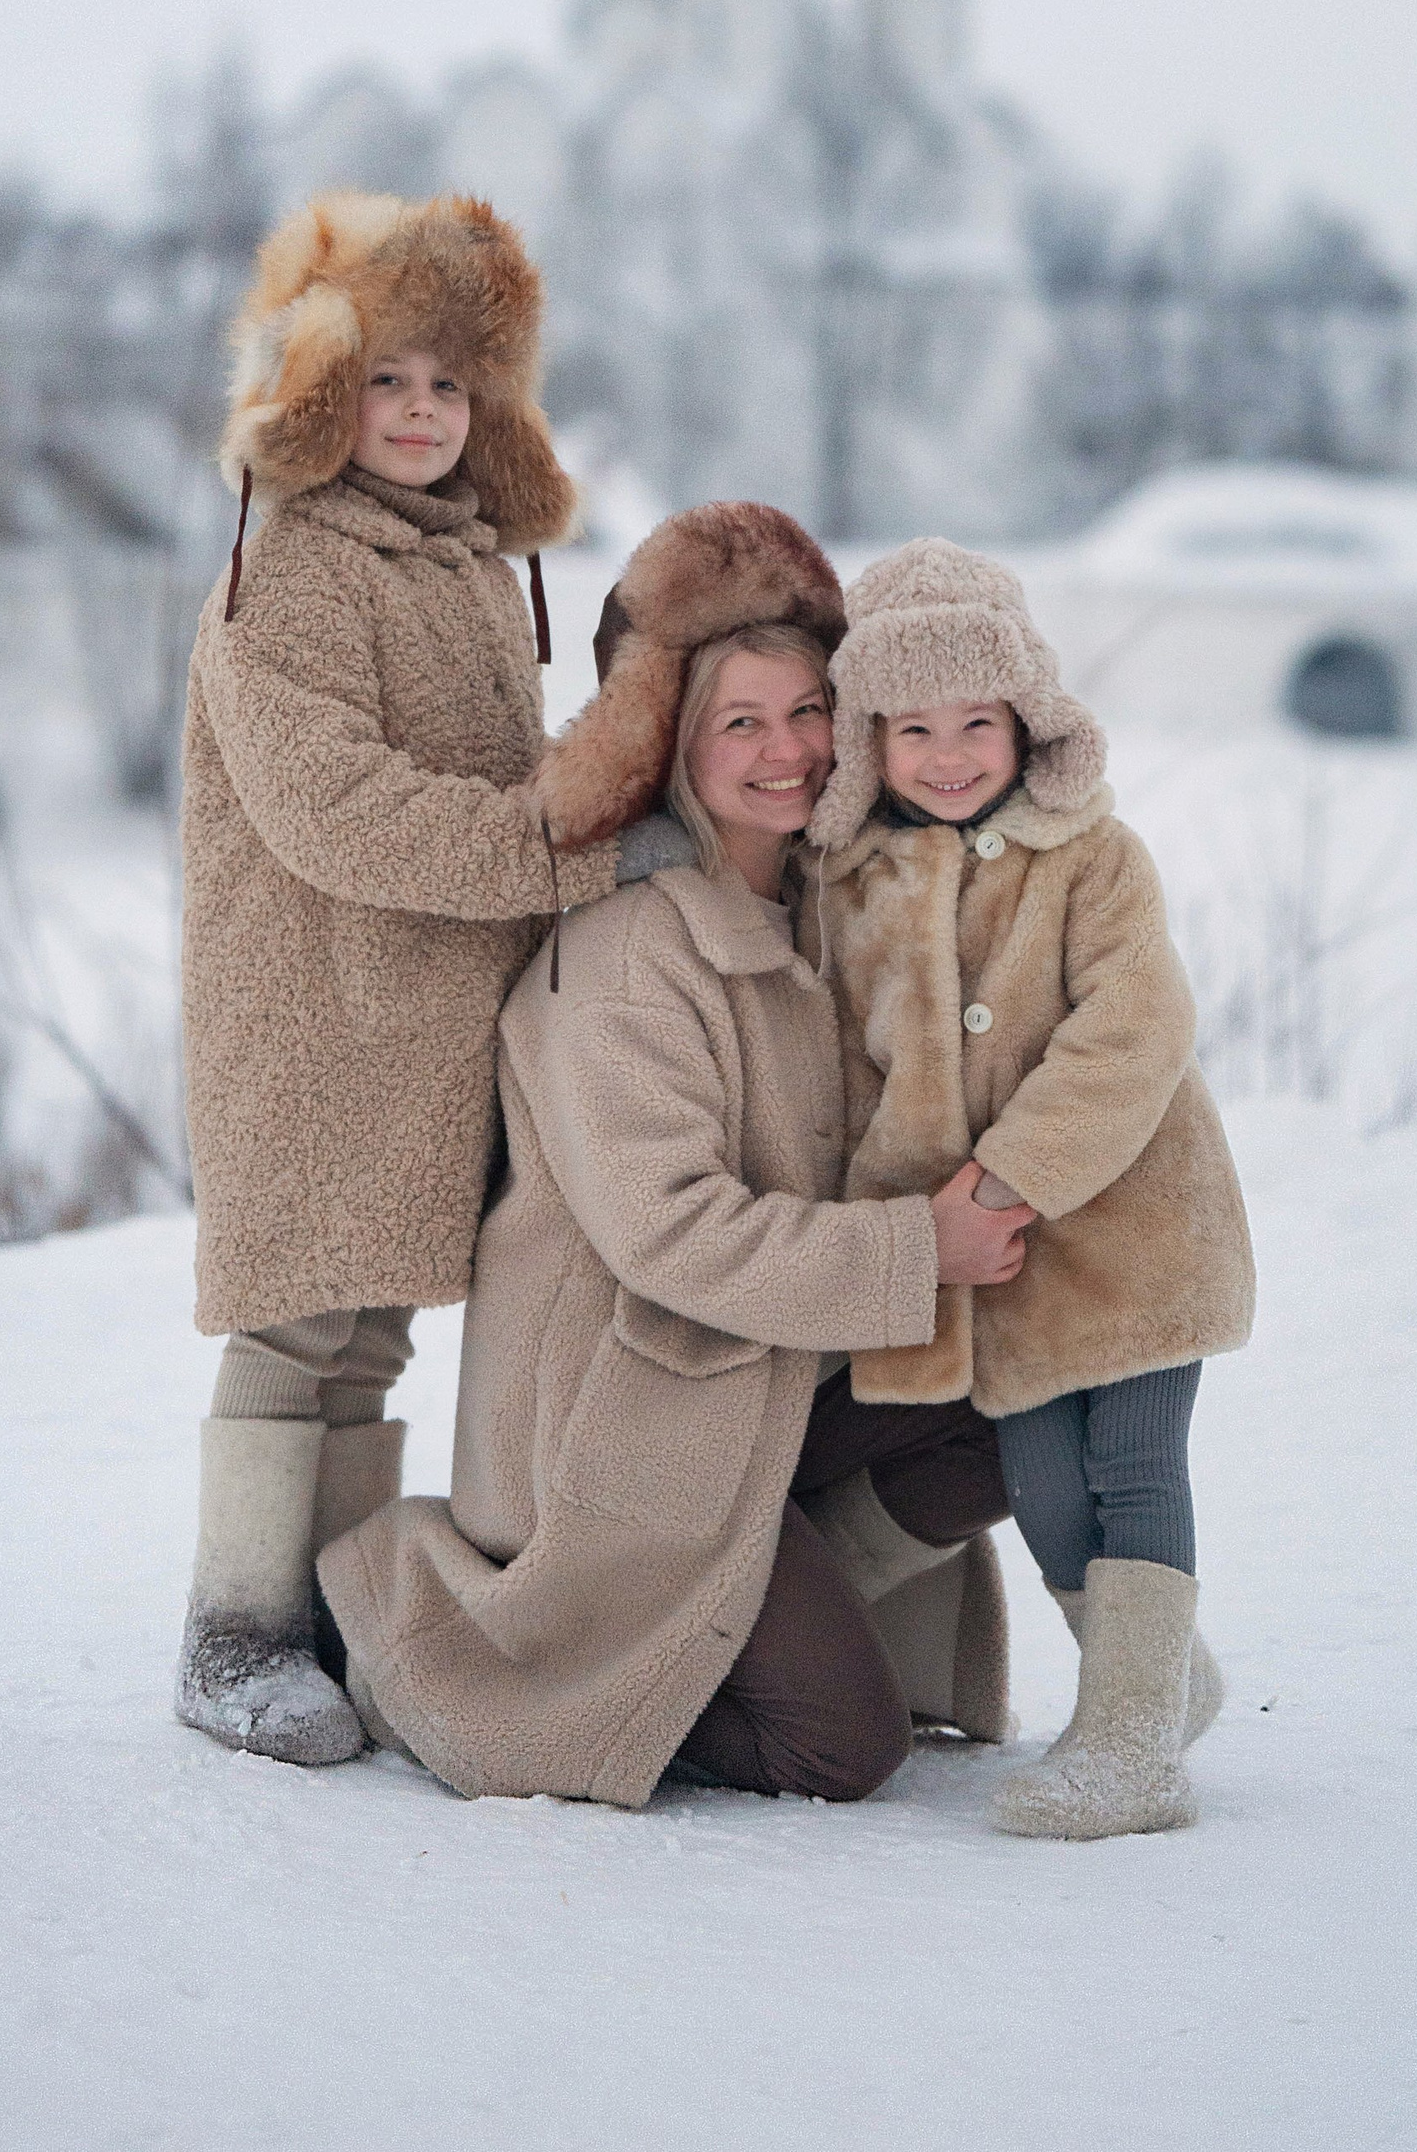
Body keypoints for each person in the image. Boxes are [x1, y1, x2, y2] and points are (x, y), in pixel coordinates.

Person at [320, 504, 1033, 1809]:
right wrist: (918, 1248)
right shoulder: (631, 953)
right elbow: (678, 1233)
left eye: (810, 710)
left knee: (1036, 1379)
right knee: (845, 1747)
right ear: (672, 743)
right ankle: (475, 1655)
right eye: (740, 723)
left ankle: (767, 1571)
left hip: (763, 1378)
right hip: (630, 1423)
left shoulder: (825, 911)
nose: (789, 751)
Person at [173, 189, 623, 1767]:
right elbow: (339, 807)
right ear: (318, 388)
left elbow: (505, 768)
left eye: (451, 384)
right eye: (388, 381)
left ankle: (343, 1615)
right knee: (300, 1320)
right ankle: (235, 1633)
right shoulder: (288, 568)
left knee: (372, 1337)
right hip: (314, 1009)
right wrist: (558, 850)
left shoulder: (467, 565)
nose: (423, 413)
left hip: (422, 1017)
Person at [803, 538, 1256, 1839]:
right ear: (870, 737)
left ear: (1027, 720)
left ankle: (1128, 1744)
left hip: (1136, 1232)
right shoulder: (860, 891)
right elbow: (855, 1071)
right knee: (1047, 1487)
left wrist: (1010, 1174)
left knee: (1131, 1459)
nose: (951, 753)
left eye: (979, 722)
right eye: (915, 727)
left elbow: (1135, 1024)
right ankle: (1162, 1677)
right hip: (1006, 1270)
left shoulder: (1095, 857)